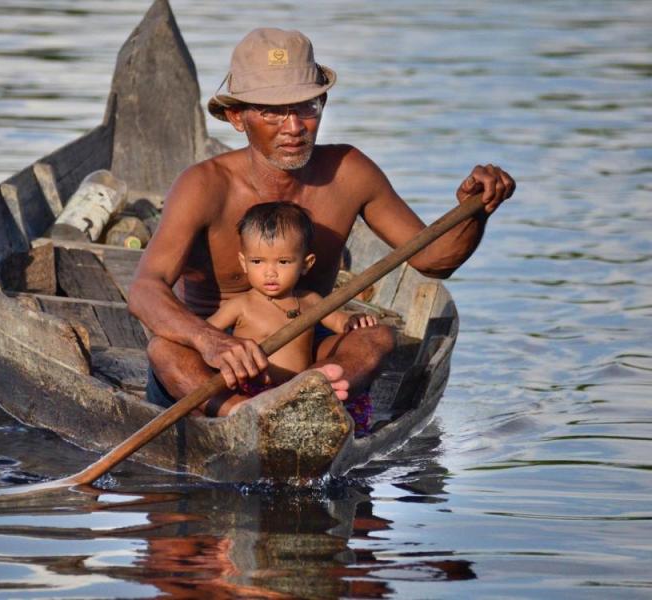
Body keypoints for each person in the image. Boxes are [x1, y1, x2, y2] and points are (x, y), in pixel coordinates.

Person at [128, 27, 515, 417]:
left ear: (323, 102)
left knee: (376, 337)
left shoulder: (349, 172)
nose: (294, 127)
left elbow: (436, 260)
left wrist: (475, 211)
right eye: (271, 111)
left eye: (306, 107)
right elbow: (145, 289)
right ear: (236, 117)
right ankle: (242, 415)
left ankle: (304, 405)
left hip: (307, 351)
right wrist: (209, 340)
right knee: (164, 349)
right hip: (217, 364)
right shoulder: (203, 185)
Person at [204, 201, 377, 425]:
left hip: (298, 390)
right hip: (253, 391)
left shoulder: (309, 301)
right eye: (257, 261)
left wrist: (354, 321)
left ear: (306, 264)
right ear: (244, 263)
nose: (270, 272)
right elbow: (209, 336)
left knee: (347, 408)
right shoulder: (240, 304)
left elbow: (339, 323)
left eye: (283, 262)